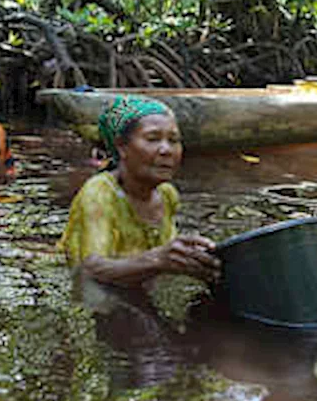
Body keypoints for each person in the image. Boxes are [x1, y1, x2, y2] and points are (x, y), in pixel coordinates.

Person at [59, 95, 219, 286]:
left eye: (174, 140)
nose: (166, 150)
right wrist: (158, 260)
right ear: (121, 147)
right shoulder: (99, 193)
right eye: (153, 139)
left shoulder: (167, 194)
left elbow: (165, 259)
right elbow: (90, 267)